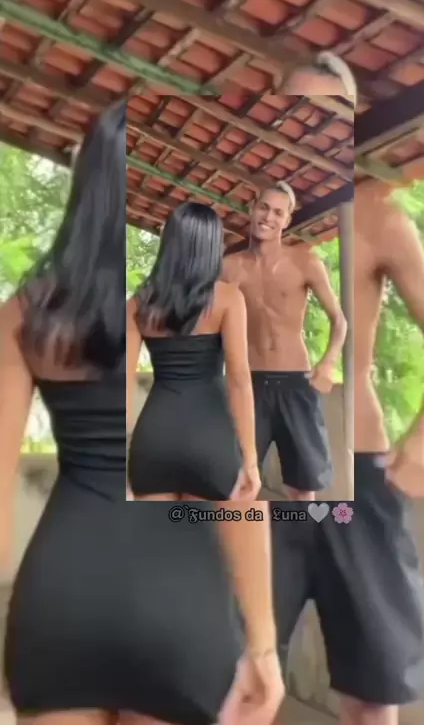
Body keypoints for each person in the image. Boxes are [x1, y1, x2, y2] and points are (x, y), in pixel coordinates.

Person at [0, 107, 284, 725]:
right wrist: (263, 644)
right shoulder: (226, 300)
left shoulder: (29, 311)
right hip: (176, 603)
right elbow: (240, 490)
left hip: (63, 589)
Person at [272, 179, 424, 725]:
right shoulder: (276, 248)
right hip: (281, 482)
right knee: (237, 669)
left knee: (373, 690)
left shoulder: (380, 221)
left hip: (358, 478)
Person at [221, 182, 347, 501]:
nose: (268, 217)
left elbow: (339, 320)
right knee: (238, 480)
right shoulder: (228, 268)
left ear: (287, 220)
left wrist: (329, 362)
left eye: (278, 212)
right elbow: (210, 326)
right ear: (252, 208)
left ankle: (303, 535)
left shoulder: (306, 262)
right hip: (248, 384)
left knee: (302, 487)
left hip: (296, 384)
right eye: (264, 208)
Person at [127, 200, 261, 501]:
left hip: (155, 440)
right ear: (212, 246)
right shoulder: (228, 299)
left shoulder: (138, 304)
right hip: (210, 439)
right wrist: (251, 460)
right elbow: (239, 380)